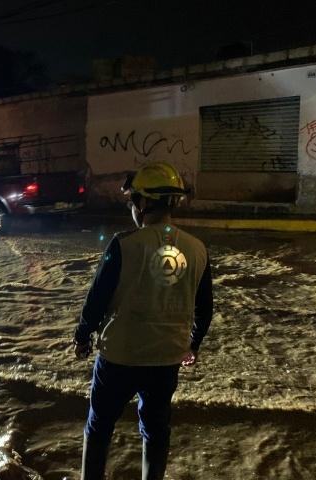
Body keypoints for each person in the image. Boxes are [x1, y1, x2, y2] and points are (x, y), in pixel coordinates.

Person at [73, 162, 213, 480]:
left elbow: (96, 299)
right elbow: (205, 310)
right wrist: (193, 344)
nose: (132, 207)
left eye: (133, 200)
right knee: (155, 430)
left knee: (99, 427)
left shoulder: (123, 245)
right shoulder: (198, 249)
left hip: (118, 357)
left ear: (145, 202)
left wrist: (82, 335)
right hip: (166, 360)